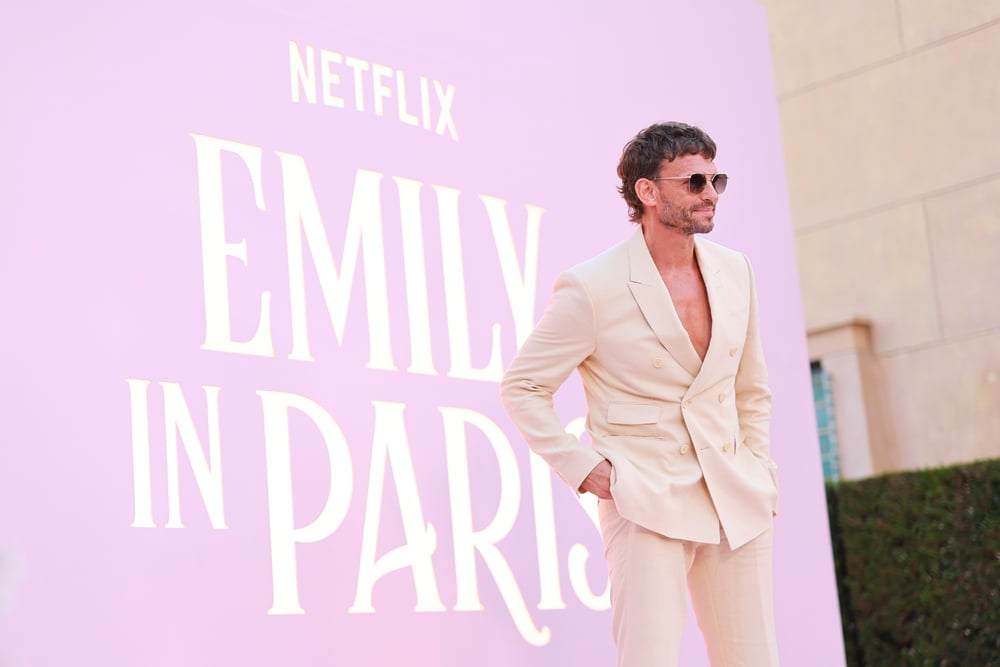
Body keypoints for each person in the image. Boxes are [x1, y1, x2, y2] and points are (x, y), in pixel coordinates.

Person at [500, 122, 780, 666]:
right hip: (646, 500)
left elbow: (751, 388)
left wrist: (759, 466)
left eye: (716, 180)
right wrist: (582, 467)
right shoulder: (593, 285)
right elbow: (524, 386)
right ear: (647, 192)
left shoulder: (735, 270)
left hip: (735, 498)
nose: (710, 194)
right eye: (694, 181)